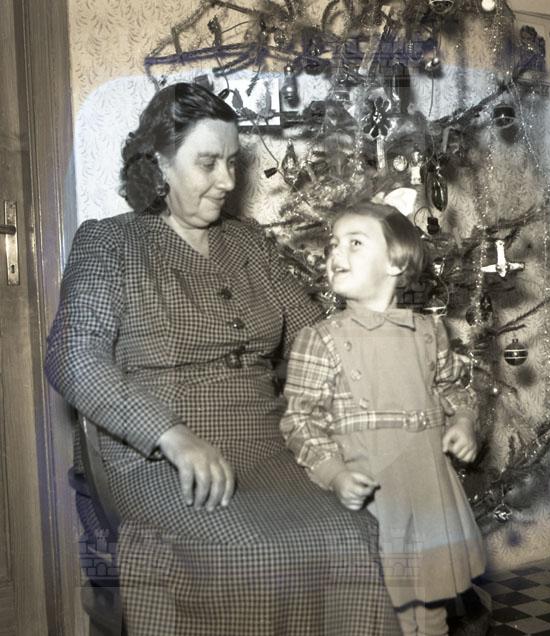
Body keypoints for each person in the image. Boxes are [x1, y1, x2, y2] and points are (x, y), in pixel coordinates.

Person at [45, 82, 400, 635]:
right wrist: (170, 435)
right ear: (158, 163)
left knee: (350, 535)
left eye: (232, 162)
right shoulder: (111, 243)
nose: (228, 182)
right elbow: (72, 355)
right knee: (252, 554)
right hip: (161, 460)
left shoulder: (247, 242)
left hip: (265, 446)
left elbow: (312, 337)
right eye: (208, 163)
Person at [281, 203, 486, 636]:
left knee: (430, 603)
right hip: (372, 494)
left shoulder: (429, 333)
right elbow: (300, 421)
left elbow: (455, 388)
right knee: (380, 610)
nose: (336, 253)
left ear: (396, 263)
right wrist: (334, 473)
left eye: (355, 243)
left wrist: (464, 421)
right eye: (334, 244)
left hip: (427, 488)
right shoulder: (320, 340)